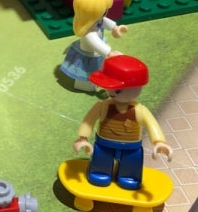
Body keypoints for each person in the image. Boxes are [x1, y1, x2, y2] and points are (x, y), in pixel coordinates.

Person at [73, 55, 172, 190]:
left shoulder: (139, 110)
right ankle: (100, 172)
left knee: (131, 165)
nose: (111, 92)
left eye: (117, 89)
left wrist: (159, 142)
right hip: (104, 145)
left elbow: (152, 124)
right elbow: (89, 121)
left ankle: (129, 176)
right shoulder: (103, 106)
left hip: (132, 148)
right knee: (101, 162)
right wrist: (82, 138)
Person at [60, 0, 128, 91]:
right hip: (89, 55)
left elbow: (104, 21)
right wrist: (109, 53)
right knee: (87, 74)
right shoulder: (89, 33)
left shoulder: (98, 20)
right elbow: (96, 43)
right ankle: (85, 86)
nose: (106, 12)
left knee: (96, 70)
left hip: (95, 54)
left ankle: (93, 83)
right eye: (104, 11)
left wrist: (115, 28)